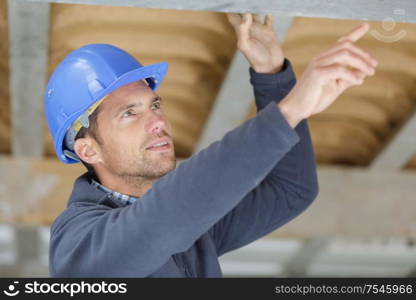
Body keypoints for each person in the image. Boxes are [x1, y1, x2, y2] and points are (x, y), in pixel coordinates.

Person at [45, 13, 377, 277]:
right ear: (89, 150)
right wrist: (289, 110)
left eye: (155, 105)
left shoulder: (193, 229)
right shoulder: (78, 244)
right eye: (130, 113)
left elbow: (290, 190)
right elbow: (158, 222)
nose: (158, 122)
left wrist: (272, 75)